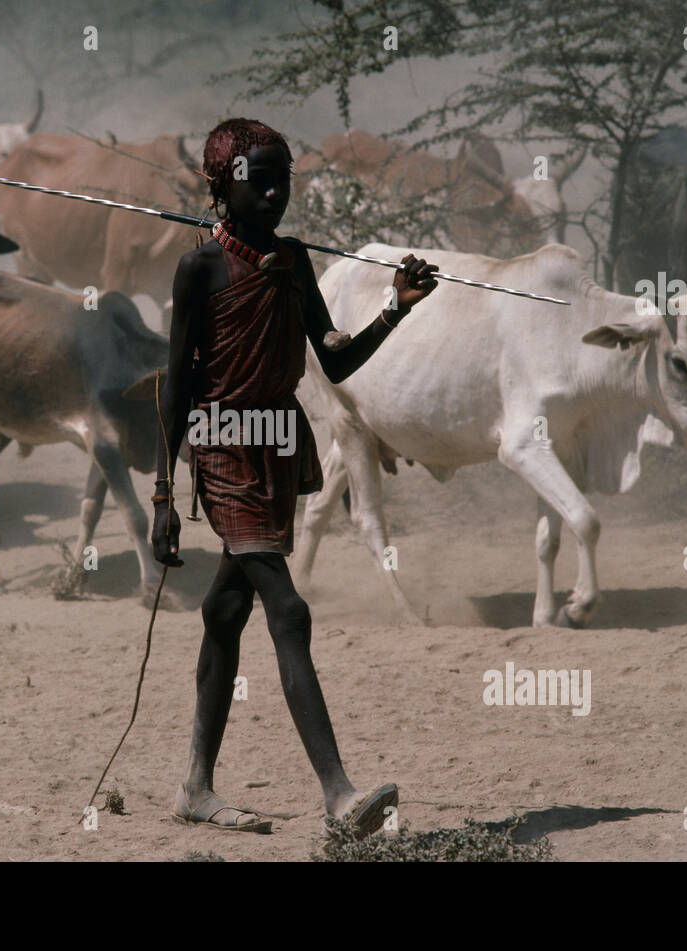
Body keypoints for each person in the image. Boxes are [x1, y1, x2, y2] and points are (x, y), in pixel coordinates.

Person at [153, 117, 438, 835]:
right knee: (288, 605)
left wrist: (394, 312)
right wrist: (162, 490)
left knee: (226, 611)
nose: (276, 192)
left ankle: (194, 785)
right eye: (261, 180)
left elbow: (334, 359)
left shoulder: (293, 258)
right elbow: (175, 389)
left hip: (279, 446)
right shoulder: (199, 269)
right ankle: (340, 796)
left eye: (286, 179)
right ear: (225, 186)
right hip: (221, 444)